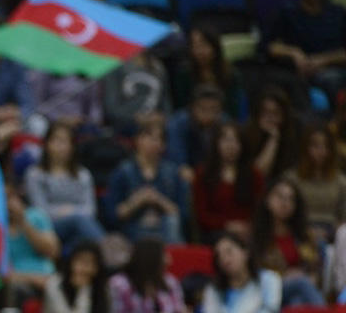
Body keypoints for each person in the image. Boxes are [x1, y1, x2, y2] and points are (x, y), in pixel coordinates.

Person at [265, 0, 346, 98]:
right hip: (297, 72)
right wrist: (293, 53)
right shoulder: (286, 13)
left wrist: (323, 60)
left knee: (333, 79)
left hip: (333, 69)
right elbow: (270, 47)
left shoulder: (338, 14)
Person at [108, 238, 200, 313]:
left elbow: (177, 311)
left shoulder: (170, 282)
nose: (169, 261)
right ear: (151, 258)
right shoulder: (120, 284)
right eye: (164, 255)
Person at [102, 115, 189, 244]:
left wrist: (159, 200)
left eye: (159, 139)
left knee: (172, 222)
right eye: (149, 137)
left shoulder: (173, 173)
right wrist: (137, 201)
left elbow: (183, 215)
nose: (154, 143)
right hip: (132, 231)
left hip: (166, 231)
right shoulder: (122, 172)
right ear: (137, 140)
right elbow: (113, 215)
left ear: (164, 145)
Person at [201, 232, 282, 313]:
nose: (225, 259)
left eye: (229, 252)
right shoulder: (213, 289)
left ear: (245, 252)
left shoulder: (269, 279)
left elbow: (269, 312)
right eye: (219, 256)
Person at [25, 122, 103, 249]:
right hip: (48, 227)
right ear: (47, 144)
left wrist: (70, 212)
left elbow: (90, 209)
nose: (60, 146)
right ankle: (106, 251)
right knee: (79, 222)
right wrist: (69, 213)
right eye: (56, 140)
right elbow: (39, 210)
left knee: (81, 238)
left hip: (80, 228)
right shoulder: (35, 174)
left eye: (65, 142)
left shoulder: (83, 174)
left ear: (72, 147)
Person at [251, 178, 325, 307]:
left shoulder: (305, 235)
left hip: (301, 289)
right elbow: (255, 272)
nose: (285, 203)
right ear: (267, 200)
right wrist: (285, 277)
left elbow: (315, 267)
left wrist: (312, 277)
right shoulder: (257, 236)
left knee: (297, 301)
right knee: (301, 284)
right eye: (280, 197)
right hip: (272, 290)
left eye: (291, 199)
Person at [192, 122, 264, 239]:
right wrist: (228, 225)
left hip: (249, 231)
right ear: (216, 143)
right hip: (216, 232)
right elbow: (202, 215)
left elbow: (260, 208)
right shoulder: (203, 174)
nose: (231, 146)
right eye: (226, 140)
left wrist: (248, 226)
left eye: (236, 141)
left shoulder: (254, 174)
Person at [284, 124, 346, 238]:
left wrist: (333, 232)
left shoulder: (341, 181)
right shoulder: (291, 178)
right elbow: (285, 214)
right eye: (315, 145)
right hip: (298, 231)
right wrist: (306, 231)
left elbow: (344, 216)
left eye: (326, 146)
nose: (321, 151)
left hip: (333, 233)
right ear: (305, 148)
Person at [170, 26, 245, 117]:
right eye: (195, 46)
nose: (199, 51)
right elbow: (180, 105)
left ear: (214, 46)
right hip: (191, 118)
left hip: (222, 117)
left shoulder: (230, 73)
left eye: (204, 45)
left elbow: (234, 107)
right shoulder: (183, 73)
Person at [164, 85, 225, 184]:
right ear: (192, 108)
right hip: (188, 169)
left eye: (213, 109)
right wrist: (183, 167)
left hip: (212, 170)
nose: (208, 114)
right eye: (203, 108)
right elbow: (175, 155)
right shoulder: (178, 123)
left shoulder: (224, 123)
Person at [5, 183, 59, 289]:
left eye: (9, 197)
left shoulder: (36, 216)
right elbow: (2, 272)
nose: (7, 204)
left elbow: (52, 251)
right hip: (17, 282)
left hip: (47, 277)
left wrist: (22, 221)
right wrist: (32, 279)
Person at [243, 87, 301, 185]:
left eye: (275, 113)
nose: (270, 117)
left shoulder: (294, 135)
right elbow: (258, 174)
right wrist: (273, 139)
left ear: (284, 116)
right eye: (265, 112)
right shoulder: (245, 136)